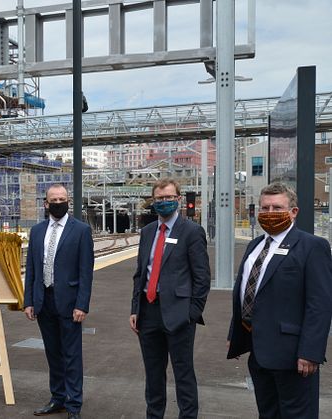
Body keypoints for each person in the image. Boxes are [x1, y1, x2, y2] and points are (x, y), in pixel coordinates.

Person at [227, 182, 332, 418]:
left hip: (294, 357)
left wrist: (311, 352)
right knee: (268, 413)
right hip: (259, 353)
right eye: (265, 208)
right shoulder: (255, 245)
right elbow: (246, 292)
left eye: (277, 207)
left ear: (293, 212)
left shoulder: (312, 247)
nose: (270, 213)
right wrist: (234, 334)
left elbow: (320, 304)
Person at [129, 178, 210, 419]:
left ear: (178, 200)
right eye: (159, 199)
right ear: (153, 202)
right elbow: (140, 273)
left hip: (179, 314)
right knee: (153, 374)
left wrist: (192, 313)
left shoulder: (192, 232)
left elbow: (202, 277)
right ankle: (154, 415)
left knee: (183, 373)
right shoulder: (147, 232)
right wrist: (135, 309)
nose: (164, 202)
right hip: (148, 311)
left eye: (169, 197)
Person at [23, 184, 94, 419]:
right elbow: (32, 269)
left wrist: (82, 305)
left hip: (70, 302)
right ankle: (58, 398)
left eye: (62, 198)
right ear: (46, 203)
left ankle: (74, 404)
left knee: (72, 355)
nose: (58, 202)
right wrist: (29, 301)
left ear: (68, 202)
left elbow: (86, 272)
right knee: (53, 353)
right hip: (44, 301)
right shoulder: (37, 231)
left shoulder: (81, 230)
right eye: (53, 199)